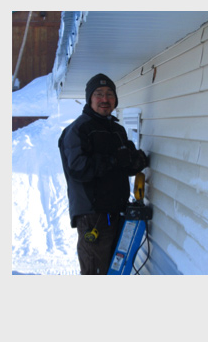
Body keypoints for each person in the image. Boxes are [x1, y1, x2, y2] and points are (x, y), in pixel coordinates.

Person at [58, 73, 148, 275]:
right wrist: (115, 159)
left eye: (109, 94)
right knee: (96, 271)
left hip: (117, 211)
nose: (105, 99)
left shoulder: (117, 130)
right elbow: (78, 168)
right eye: (99, 94)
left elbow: (124, 163)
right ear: (90, 98)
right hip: (94, 215)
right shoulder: (78, 129)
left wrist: (136, 161)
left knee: (115, 270)